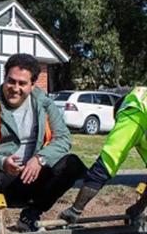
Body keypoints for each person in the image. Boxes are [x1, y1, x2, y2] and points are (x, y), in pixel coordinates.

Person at [0, 54, 86, 231]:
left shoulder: (45, 104)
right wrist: (2, 161)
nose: (15, 88)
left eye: (22, 83)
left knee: (72, 164)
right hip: (0, 178)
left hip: (33, 176)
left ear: (32, 85)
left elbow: (63, 139)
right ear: (4, 78)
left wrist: (40, 159)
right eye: (11, 81)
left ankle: (31, 214)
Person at [60, 86, 147, 222]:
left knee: (105, 165)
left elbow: (106, 163)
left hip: (136, 109)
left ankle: (75, 210)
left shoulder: (132, 110)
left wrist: (75, 209)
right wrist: (138, 208)